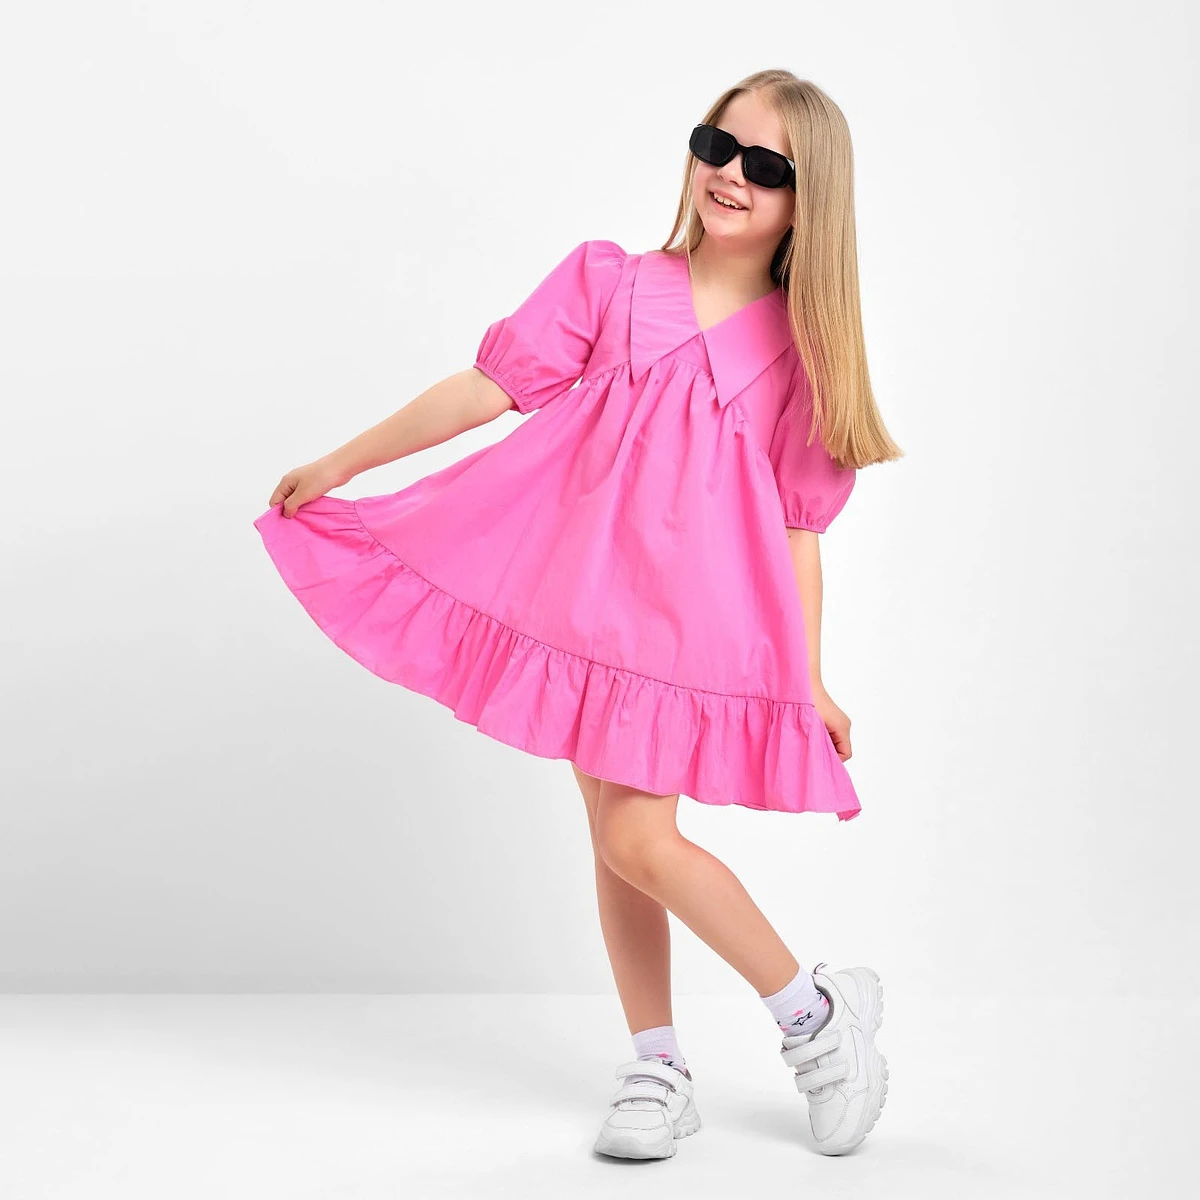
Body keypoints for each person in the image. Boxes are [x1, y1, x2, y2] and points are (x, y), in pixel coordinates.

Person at [252, 69, 903, 1160]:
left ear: (808, 202)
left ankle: (817, 1017)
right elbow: (487, 387)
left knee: (642, 837)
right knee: (616, 844)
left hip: (684, 633)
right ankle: (657, 1064)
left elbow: (799, 528)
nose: (729, 174)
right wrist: (343, 462)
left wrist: (809, 677)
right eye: (717, 145)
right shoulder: (613, 283)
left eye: (766, 166)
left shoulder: (801, 355)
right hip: (581, 614)